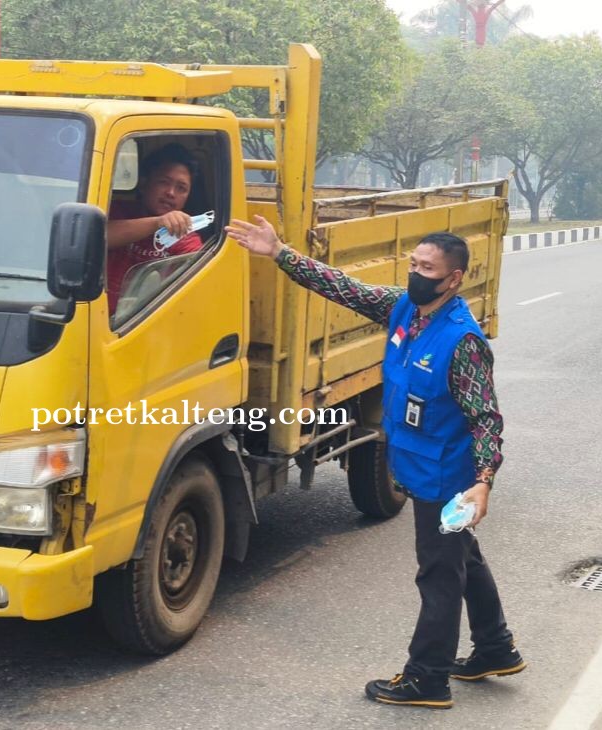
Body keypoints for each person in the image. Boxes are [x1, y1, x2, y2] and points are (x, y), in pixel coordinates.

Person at [225, 215, 526, 710]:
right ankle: (495, 647)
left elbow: (486, 419)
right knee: (460, 557)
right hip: (418, 465)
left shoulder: (462, 342)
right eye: (413, 262)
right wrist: (279, 252)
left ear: (453, 279)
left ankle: (427, 679)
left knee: (439, 574)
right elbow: (345, 288)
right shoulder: (406, 308)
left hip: (446, 479)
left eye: (427, 267)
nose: (416, 272)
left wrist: (484, 482)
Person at [106, 143, 204, 315]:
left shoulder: (186, 236)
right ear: (144, 184)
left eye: (181, 188)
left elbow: (196, 282)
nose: (171, 193)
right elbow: (98, 236)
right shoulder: (118, 211)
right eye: (164, 182)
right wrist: (157, 223)